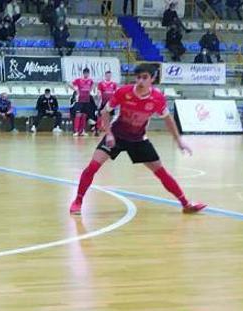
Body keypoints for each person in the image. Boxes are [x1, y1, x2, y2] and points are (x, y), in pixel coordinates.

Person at [69, 64, 206, 216]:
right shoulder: (124, 92)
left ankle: (186, 204)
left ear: (153, 79)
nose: (140, 81)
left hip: (138, 139)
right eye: (138, 77)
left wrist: (179, 141)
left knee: (161, 172)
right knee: (92, 167)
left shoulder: (157, 98)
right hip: (117, 136)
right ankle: (78, 201)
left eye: (145, 78)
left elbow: (168, 120)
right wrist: (108, 133)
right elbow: (105, 112)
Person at [71, 68, 97, 136]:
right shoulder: (79, 80)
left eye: (87, 73)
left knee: (84, 115)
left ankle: (82, 131)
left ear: (88, 74)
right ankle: (76, 131)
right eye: (85, 73)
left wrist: (90, 90)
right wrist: (76, 90)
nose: (86, 74)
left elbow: (93, 85)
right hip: (80, 100)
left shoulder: (90, 81)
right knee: (78, 114)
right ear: (83, 73)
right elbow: (70, 84)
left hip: (87, 100)